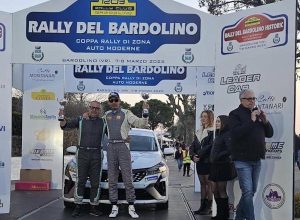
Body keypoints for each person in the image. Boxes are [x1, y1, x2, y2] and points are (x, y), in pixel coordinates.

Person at [229, 89, 273, 220]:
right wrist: (251, 120)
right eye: (249, 99)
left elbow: (270, 133)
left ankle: (239, 217)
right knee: (247, 192)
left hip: (257, 159)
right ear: (241, 100)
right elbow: (236, 134)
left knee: (251, 191)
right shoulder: (234, 114)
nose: (252, 101)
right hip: (242, 160)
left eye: (253, 98)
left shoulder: (258, 113)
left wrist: (265, 121)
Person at [104, 92, 149, 219]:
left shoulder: (126, 113)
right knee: (112, 179)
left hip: (123, 147)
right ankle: (114, 205)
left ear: (119, 101)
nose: (113, 102)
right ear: (108, 102)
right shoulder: (106, 115)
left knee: (127, 178)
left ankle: (131, 206)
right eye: (111, 100)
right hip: (111, 147)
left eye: (116, 99)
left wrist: (145, 113)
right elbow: (98, 125)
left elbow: (141, 123)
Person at [59, 100, 106, 217]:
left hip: (96, 154)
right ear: (88, 108)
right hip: (82, 153)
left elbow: (115, 134)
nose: (94, 110)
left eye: (97, 108)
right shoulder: (80, 119)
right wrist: (61, 117)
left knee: (96, 182)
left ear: (99, 110)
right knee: (80, 181)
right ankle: (78, 205)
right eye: (92, 107)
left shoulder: (104, 122)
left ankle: (93, 207)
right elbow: (64, 126)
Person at [209, 115, 237, 219]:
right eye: (216, 121)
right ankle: (219, 214)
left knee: (221, 190)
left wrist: (218, 156)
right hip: (214, 166)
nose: (216, 123)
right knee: (214, 190)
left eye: (219, 122)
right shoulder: (218, 134)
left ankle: (224, 215)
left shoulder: (227, 134)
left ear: (224, 123)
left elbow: (230, 150)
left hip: (223, 166)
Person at [190, 110, 214, 215]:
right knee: (202, 184)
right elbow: (192, 146)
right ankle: (202, 207)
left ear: (210, 118)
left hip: (208, 162)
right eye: (202, 116)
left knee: (209, 185)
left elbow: (209, 147)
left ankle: (208, 208)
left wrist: (198, 155)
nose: (203, 118)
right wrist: (192, 156)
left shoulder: (213, 131)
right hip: (199, 162)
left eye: (205, 116)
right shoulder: (198, 131)